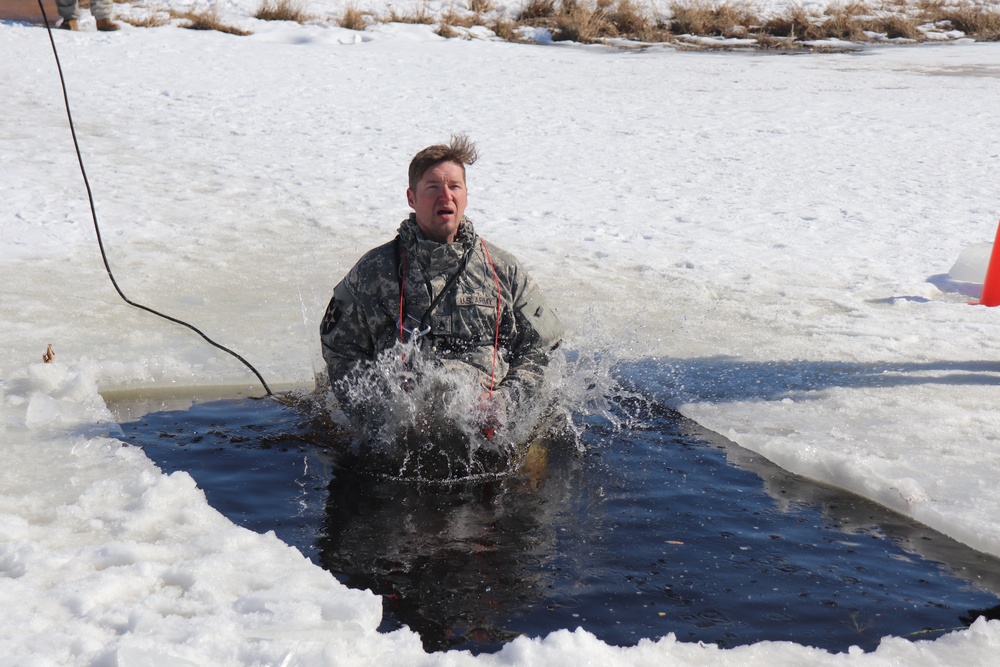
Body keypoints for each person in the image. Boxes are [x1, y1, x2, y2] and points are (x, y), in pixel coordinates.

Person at [319, 134, 563, 443]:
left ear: (466, 196)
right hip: (404, 446)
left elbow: (543, 348)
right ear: (412, 198)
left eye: (454, 187)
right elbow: (340, 350)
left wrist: (506, 403)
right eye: (433, 187)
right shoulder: (373, 271)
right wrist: (386, 418)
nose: (445, 196)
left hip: (489, 440)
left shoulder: (503, 269)